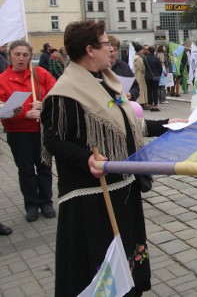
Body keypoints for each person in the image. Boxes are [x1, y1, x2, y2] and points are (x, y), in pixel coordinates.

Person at [41, 20, 185, 297]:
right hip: (92, 195)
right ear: (89, 49)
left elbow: (126, 125)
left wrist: (167, 123)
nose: (111, 48)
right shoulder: (66, 92)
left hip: (124, 186)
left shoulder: (107, 81)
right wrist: (86, 159)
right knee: (100, 260)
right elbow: (53, 140)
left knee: (128, 253)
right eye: (105, 43)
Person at [0, 40, 57, 223]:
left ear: (30, 56)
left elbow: (57, 94)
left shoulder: (39, 73)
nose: (21, 58)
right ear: (10, 56)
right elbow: (2, 109)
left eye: (25, 55)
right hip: (18, 133)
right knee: (25, 170)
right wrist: (25, 114)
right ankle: (31, 204)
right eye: (17, 54)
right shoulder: (2, 80)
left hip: (40, 131)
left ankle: (46, 202)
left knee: (44, 167)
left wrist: (44, 104)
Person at [108, 35, 140, 101]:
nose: (113, 53)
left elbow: (135, 87)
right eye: (110, 51)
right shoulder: (98, 67)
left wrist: (131, 94)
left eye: (115, 50)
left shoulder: (123, 66)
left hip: (122, 104)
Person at [144, 45, 163, 112]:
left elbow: (144, 68)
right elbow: (160, 68)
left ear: (148, 51)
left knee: (149, 91)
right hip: (156, 76)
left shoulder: (145, 58)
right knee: (155, 91)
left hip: (148, 76)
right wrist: (158, 75)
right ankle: (155, 105)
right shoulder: (156, 58)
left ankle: (150, 104)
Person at [133, 42, 149, 108]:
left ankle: (143, 102)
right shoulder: (138, 59)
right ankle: (142, 102)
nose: (142, 51)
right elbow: (142, 68)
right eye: (142, 50)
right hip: (140, 76)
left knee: (141, 88)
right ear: (139, 50)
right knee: (141, 89)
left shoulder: (136, 58)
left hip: (138, 75)